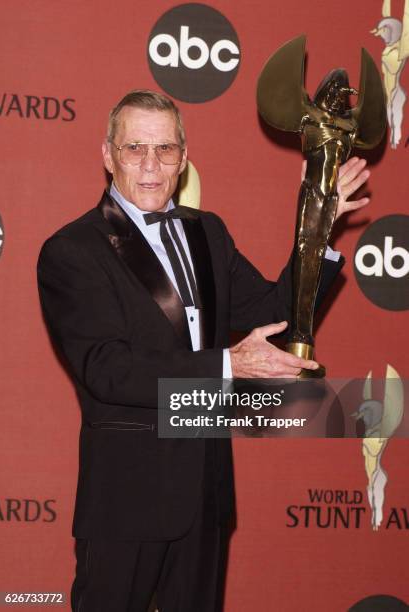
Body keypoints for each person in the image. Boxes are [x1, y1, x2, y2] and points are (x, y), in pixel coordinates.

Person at [37, 89, 371, 612]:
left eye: (166, 149)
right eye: (135, 149)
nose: (151, 165)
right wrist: (227, 365)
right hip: (126, 498)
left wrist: (316, 232)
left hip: (204, 494)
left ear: (184, 157)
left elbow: (273, 316)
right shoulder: (72, 250)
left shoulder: (208, 233)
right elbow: (106, 369)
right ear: (108, 154)